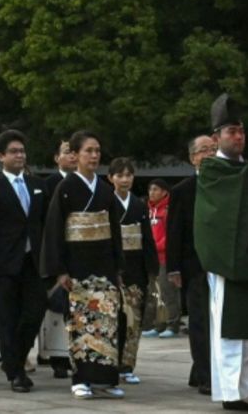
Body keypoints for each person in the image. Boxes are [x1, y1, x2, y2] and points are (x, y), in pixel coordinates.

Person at [41, 130, 127, 400]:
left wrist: (118, 267)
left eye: (97, 151)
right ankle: (81, 379)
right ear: (75, 155)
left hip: (104, 263)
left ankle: (106, 378)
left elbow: (114, 230)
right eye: (88, 150)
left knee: (107, 322)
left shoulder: (105, 190)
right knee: (81, 322)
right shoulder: (66, 188)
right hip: (77, 264)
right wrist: (60, 270)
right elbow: (54, 229)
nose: (94, 155)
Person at [197, 95, 248, 412]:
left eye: (241, 131)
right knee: (230, 332)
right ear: (216, 138)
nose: (238, 137)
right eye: (231, 132)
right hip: (227, 262)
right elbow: (215, 218)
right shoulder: (212, 170)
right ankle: (231, 390)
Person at [0, 129, 50, 393]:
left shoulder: (38, 185)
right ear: (1, 156)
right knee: (7, 317)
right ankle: (16, 373)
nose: (19, 155)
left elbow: (45, 224)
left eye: (22, 151)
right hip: (5, 262)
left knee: (34, 312)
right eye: (13, 152)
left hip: (35, 261)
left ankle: (14, 360)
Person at [166, 133, 217, 395]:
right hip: (194, 265)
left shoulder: (225, 185)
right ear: (192, 157)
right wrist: (173, 267)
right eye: (204, 150)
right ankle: (206, 375)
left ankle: (200, 370)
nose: (210, 154)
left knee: (218, 322)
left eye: (213, 149)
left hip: (222, 264)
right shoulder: (182, 190)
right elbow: (175, 231)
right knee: (199, 321)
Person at [109, 157, 158, 385]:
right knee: (114, 318)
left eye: (128, 175)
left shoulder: (139, 205)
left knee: (133, 319)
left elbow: (147, 237)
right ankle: (111, 363)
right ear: (111, 178)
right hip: (114, 266)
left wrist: (152, 268)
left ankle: (127, 365)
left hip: (136, 266)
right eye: (120, 175)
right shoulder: (107, 202)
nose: (125, 180)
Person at [38, 137, 78, 379]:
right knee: (56, 307)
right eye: (66, 152)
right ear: (56, 158)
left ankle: (77, 354)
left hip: (80, 252)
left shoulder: (85, 183)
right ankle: (58, 358)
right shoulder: (48, 185)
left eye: (74, 151)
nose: (72, 156)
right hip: (57, 250)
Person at [142, 179, 179, 337]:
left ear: (165, 192)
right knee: (154, 293)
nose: (152, 192)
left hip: (164, 257)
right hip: (151, 257)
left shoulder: (169, 210)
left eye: (156, 189)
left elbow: (170, 234)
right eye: (150, 189)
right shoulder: (147, 210)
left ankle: (173, 324)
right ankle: (159, 324)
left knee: (167, 291)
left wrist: (156, 246)